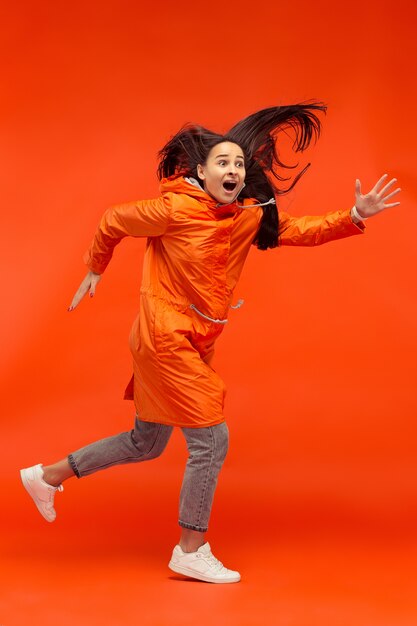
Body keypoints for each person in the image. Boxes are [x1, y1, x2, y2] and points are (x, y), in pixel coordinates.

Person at [20, 103, 401, 584]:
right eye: (223, 162)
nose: (234, 170)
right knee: (211, 439)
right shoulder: (175, 209)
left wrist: (352, 215)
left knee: (146, 442)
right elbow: (113, 219)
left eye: (239, 164)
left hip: (192, 339)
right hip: (164, 336)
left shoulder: (244, 217)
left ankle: (47, 476)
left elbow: (295, 230)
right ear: (201, 171)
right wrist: (96, 265)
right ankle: (190, 547)